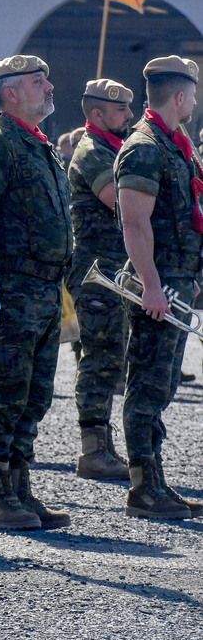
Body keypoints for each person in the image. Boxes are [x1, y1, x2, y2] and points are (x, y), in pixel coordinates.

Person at [0, 54, 72, 531]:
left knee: (34, 394)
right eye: (36, 81)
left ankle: (20, 486)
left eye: (46, 78)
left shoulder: (39, 144)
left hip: (44, 289)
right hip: (12, 287)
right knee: (4, 391)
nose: (48, 87)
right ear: (9, 94)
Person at [114, 55, 203, 520]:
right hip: (159, 283)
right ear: (181, 96)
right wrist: (150, 284)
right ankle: (143, 487)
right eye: (194, 92)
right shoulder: (146, 147)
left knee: (164, 382)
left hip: (177, 279)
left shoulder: (176, 145)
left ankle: (155, 482)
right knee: (148, 384)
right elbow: (133, 222)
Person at [66, 78, 135, 481]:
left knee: (111, 357)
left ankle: (102, 444)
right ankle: (93, 449)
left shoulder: (112, 147)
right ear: (97, 115)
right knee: (99, 357)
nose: (128, 115)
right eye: (120, 109)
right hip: (97, 271)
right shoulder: (93, 151)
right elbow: (117, 200)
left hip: (113, 269)